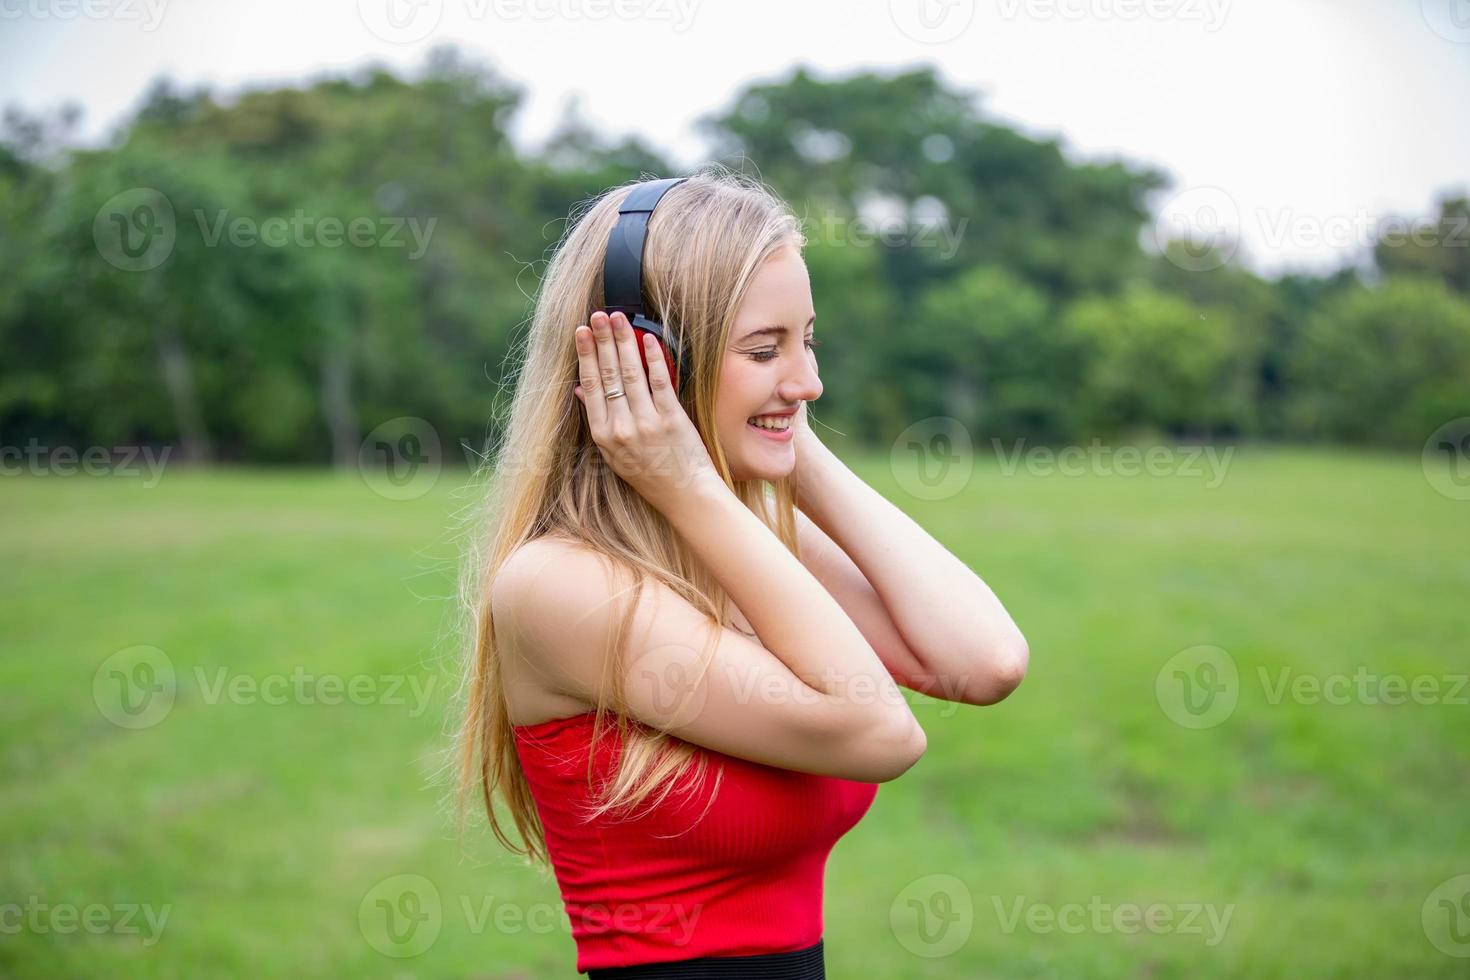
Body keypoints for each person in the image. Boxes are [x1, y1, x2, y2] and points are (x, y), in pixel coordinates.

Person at [454, 165, 1029, 977]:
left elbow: (983, 662)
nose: (811, 379)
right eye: (765, 347)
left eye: (809, 339)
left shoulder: (746, 546)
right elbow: (879, 729)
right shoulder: (556, 587)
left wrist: (782, 432)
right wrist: (696, 472)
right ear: (648, 359)